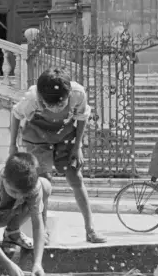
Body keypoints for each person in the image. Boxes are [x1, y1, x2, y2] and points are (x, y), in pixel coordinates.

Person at [9, 68, 106, 244]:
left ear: (68, 95)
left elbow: (82, 118)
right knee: (44, 184)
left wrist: (78, 147)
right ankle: (43, 232)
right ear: (41, 98)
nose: (54, 110)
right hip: (37, 138)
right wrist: (12, 145)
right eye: (49, 105)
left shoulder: (78, 94)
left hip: (65, 135)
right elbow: (16, 115)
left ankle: (90, 230)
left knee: (75, 178)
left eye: (60, 105)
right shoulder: (31, 98)